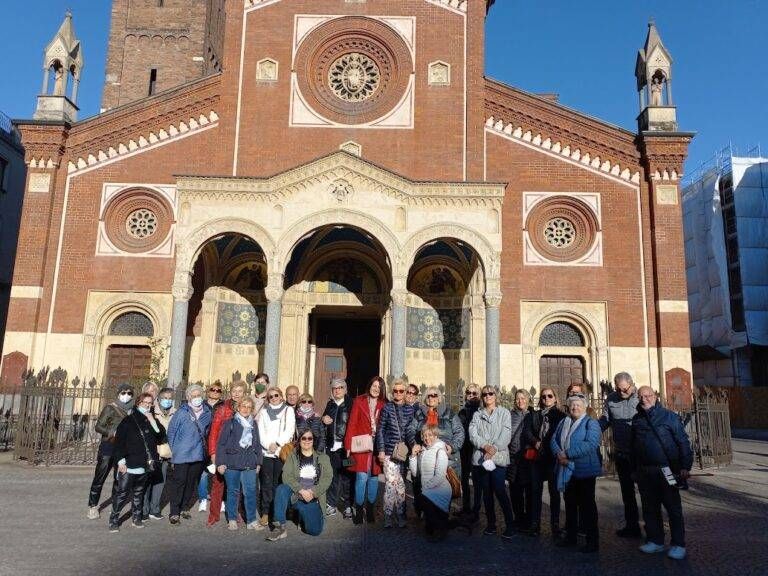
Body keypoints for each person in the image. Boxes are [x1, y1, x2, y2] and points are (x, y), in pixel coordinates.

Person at [631, 386, 693, 560]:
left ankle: (678, 544)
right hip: (645, 470)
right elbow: (633, 447)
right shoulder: (637, 419)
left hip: (667, 470)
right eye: (641, 396)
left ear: (655, 396)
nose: (644, 399)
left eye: (648, 395)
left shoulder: (669, 416)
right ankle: (655, 541)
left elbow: (683, 442)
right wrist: (633, 470)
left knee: (673, 507)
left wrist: (685, 466)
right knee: (649, 508)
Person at [551, 394, 602, 553]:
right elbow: (554, 439)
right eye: (572, 405)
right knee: (570, 504)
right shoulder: (563, 422)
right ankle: (571, 537)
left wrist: (568, 454)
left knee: (587, 506)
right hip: (566, 469)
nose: (575, 408)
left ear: (585, 407)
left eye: (578, 405)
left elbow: (591, 444)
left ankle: (592, 541)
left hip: (584, 471)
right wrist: (559, 453)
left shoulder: (591, 423)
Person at [109, 392, 166, 532]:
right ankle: (114, 519)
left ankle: (136, 517)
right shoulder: (128, 420)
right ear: (138, 403)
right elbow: (119, 443)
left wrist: (152, 420)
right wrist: (121, 462)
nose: (148, 405)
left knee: (139, 493)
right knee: (122, 494)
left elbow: (161, 436)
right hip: (129, 464)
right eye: (145, 402)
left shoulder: (152, 419)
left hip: (145, 463)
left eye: (150, 403)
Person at [407, 386, 464, 519]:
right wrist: (413, 444)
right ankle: (426, 515)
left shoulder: (449, 413)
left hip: (445, 455)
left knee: (443, 487)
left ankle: (443, 515)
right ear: (425, 399)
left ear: (439, 399)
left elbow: (460, 432)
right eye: (429, 396)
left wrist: (452, 446)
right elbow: (410, 430)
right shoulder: (419, 414)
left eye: (434, 395)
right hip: (425, 456)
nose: (431, 398)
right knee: (423, 484)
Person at [266, 428, 333, 541]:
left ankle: (306, 516)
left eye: (310, 438)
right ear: (299, 440)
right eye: (304, 438)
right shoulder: (293, 456)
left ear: (313, 440)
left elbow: (327, 478)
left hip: (312, 499)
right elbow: (286, 476)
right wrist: (301, 490)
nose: (307, 441)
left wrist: (313, 492)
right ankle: (280, 527)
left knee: (315, 531)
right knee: (281, 489)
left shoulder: (323, 458)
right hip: (295, 497)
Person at [469, 385, 515, 540]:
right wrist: (485, 446)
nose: (487, 396)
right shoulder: (477, 415)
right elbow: (472, 434)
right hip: (482, 458)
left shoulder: (504, 413)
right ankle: (491, 524)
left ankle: (510, 524)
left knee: (500, 490)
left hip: (497, 458)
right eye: (485, 394)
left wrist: (493, 448)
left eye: (491, 393)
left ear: (496, 396)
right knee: (486, 492)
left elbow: (506, 434)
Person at [600, 372, 641, 538]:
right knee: (627, 493)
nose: (621, 393)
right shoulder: (611, 399)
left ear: (631, 384)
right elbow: (605, 420)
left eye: (624, 390)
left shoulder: (642, 397)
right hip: (622, 453)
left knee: (647, 493)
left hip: (640, 454)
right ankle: (632, 526)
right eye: (618, 389)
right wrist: (591, 430)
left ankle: (654, 530)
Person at [521, 386, 565, 537]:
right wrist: (535, 442)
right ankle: (535, 524)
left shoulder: (561, 416)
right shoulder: (534, 415)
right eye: (544, 396)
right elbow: (527, 431)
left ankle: (555, 524)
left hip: (552, 458)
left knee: (554, 492)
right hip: (537, 458)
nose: (546, 399)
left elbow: (560, 435)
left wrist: (545, 444)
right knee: (535, 491)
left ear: (555, 398)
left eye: (550, 396)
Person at [166, 384, 212, 525]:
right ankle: (174, 511)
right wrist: (175, 450)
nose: (196, 398)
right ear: (188, 397)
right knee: (179, 482)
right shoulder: (181, 412)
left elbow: (208, 433)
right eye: (193, 395)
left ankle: (185, 507)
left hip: (197, 454)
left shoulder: (207, 413)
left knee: (191, 482)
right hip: (181, 454)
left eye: (199, 395)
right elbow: (171, 432)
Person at [216, 395, 264, 531]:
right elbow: (221, 444)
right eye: (244, 406)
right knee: (233, 491)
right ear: (238, 407)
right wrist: (220, 462)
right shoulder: (230, 423)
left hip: (250, 462)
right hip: (232, 463)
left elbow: (258, 444)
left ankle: (251, 520)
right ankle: (232, 519)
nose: (246, 409)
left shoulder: (253, 424)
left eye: (249, 407)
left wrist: (259, 462)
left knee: (250, 492)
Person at [87, 383, 133, 520]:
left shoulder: (132, 410)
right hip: (108, 447)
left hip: (123, 448)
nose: (126, 396)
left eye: (129, 393)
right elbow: (98, 426)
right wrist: (112, 432)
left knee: (118, 479)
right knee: (99, 478)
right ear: (118, 393)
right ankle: (93, 506)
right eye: (124, 392)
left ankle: (115, 504)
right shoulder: (110, 408)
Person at [344, 376, 386, 525]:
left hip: (377, 447)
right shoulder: (359, 401)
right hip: (361, 445)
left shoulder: (384, 404)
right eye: (374, 386)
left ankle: (370, 509)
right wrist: (348, 446)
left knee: (374, 478)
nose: (376, 389)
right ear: (369, 386)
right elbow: (352, 424)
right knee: (361, 477)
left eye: (379, 387)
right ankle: (359, 509)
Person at [206, 380, 247, 526]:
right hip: (222, 451)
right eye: (234, 391)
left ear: (244, 393)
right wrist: (213, 453)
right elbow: (213, 432)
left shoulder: (246, 408)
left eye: (240, 391)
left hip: (239, 453)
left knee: (236, 486)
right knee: (218, 484)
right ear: (230, 392)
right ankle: (213, 515)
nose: (236, 394)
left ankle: (235, 514)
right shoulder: (223, 408)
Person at [376, 378, 414, 528]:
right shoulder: (387, 408)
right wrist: (381, 450)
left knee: (401, 486)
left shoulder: (411, 409)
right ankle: (387, 516)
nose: (398, 393)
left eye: (401, 391)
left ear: (405, 392)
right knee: (391, 484)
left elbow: (412, 430)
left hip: (404, 453)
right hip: (389, 453)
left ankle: (400, 515)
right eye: (395, 391)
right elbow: (380, 431)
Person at [257, 386, 296, 526]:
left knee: (279, 483)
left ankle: (277, 512)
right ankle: (266, 512)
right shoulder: (263, 412)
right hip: (267, 452)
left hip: (281, 453)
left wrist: (278, 443)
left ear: (281, 396)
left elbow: (290, 430)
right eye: (271, 396)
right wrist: (269, 445)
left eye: (276, 395)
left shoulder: (288, 410)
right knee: (266, 484)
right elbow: (260, 432)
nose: (274, 398)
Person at [409, 424, 451, 542]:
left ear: (436, 435)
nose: (427, 438)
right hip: (429, 490)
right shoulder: (423, 451)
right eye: (424, 436)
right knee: (429, 528)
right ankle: (438, 525)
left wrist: (425, 489)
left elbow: (440, 476)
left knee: (420, 500)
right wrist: (412, 456)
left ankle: (441, 530)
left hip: (440, 489)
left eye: (430, 435)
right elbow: (415, 473)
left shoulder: (440, 450)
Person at [322, 378, 354, 519]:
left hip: (346, 449)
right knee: (333, 476)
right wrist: (323, 419)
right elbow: (325, 418)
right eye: (335, 388)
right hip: (332, 448)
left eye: (340, 387)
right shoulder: (330, 404)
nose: (337, 390)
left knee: (347, 477)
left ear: (345, 389)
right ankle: (332, 504)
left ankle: (348, 505)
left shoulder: (351, 404)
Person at [143, 386, 175, 521]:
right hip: (152, 452)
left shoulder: (175, 413)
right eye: (164, 398)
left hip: (166, 452)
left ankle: (155, 509)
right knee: (147, 481)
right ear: (159, 399)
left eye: (169, 398)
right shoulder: (151, 411)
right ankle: (143, 510)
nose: (167, 401)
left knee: (160, 482)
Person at [508, 389, 533, 531]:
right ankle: (518, 518)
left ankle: (529, 520)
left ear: (528, 400)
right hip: (513, 458)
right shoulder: (509, 415)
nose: (520, 401)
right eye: (518, 398)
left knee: (529, 491)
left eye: (523, 398)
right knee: (515, 490)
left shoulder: (533, 415)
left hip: (528, 458)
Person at [198, 381, 225, 512]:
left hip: (218, 443)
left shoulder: (224, 406)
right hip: (203, 443)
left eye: (218, 390)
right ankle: (203, 498)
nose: (215, 392)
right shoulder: (201, 405)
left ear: (221, 393)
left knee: (219, 472)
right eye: (212, 389)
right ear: (208, 391)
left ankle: (220, 499)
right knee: (203, 473)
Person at [458, 384, 483, 520]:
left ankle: (476, 510)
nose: (471, 395)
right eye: (469, 392)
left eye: (474, 393)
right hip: (465, 449)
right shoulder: (462, 411)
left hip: (477, 449)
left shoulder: (482, 410)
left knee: (478, 481)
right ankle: (466, 507)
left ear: (478, 395)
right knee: (464, 480)